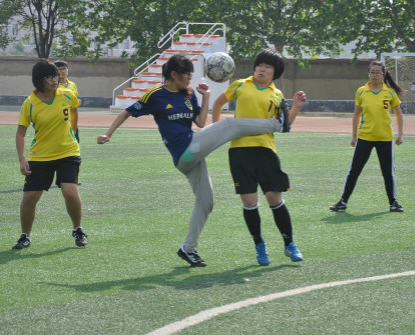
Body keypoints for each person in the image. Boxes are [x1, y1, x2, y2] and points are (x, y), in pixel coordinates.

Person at [97, 54, 288, 267]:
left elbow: (200, 122)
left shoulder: (189, 94)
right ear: (174, 74)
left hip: (192, 154)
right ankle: (277, 124)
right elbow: (127, 112)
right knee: (228, 125)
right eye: (187, 74)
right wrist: (108, 133)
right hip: (185, 153)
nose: (190, 78)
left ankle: (188, 249)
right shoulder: (157, 95)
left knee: (206, 202)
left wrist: (206, 97)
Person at [212, 48, 307, 266]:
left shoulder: (277, 95)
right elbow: (218, 103)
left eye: (267, 66)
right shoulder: (240, 85)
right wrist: (217, 130)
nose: (261, 69)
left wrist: (296, 107)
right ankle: (259, 245)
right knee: (250, 202)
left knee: (275, 199)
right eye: (259, 65)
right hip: (240, 151)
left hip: (266, 151)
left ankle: (289, 243)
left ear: (275, 72)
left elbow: (284, 125)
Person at [13, 59, 87, 249]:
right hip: (40, 155)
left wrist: (73, 134)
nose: (55, 79)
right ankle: (25, 236)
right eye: (49, 77)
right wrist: (22, 159)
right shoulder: (30, 103)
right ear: (39, 80)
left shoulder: (67, 94)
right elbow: (21, 133)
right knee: (30, 197)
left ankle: (78, 229)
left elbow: (74, 112)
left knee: (70, 192)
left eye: (55, 75)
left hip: (68, 152)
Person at [329, 60, 405, 213]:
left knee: (388, 172)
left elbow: (399, 114)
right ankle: (343, 202)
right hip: (365, 137)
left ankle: (393, 203)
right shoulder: (361, 91)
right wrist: (354, 136)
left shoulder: (389, 92)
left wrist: (400, 135)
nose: (375, 75)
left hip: (384, 138)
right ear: (368, 74)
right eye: (372, 72)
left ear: (383, 74)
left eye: (378, 72)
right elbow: (356, 115)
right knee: (354, 171)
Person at [54, 60, 80, 142]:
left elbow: (74, 99)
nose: (62, 71)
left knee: (75, 141)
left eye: (64, 68)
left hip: (71, 118)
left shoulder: (72, 84)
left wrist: (77, 101)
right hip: (59, 119)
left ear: (68, 69)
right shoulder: (54, 85)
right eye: (59, 69)